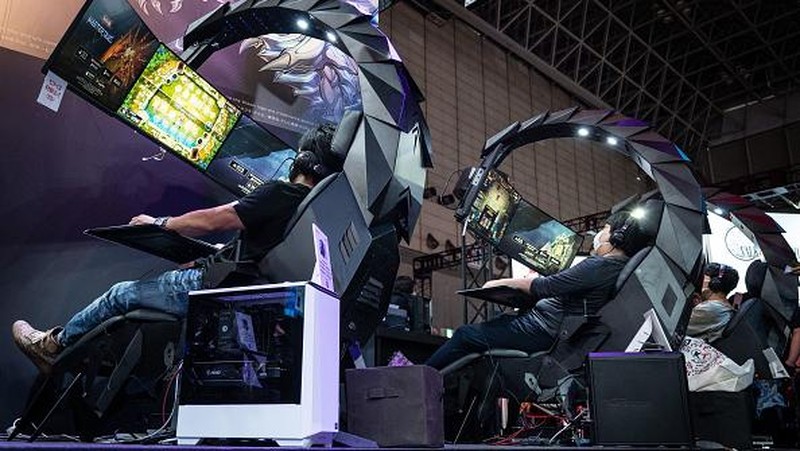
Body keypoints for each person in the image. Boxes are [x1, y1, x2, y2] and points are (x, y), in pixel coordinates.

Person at [12, 123, 343, 374]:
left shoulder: (283, 194)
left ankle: (53, 346)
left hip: (214, 288)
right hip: (243, 292)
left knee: (121, 294)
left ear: (303, 160)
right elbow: (260, 250)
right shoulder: (313, 214)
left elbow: (218, 218)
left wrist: (160, 223)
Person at [425, 211, 651, 370]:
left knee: (465, 334)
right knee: (492, 326)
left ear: (617, 237)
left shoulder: (599, 266)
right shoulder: (614, 267)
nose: (600, 234)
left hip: (541, 330)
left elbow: (544, 287)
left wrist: (496, 284)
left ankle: (414, 379)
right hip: (545, 326)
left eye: (605, 228)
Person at [685, 262, 739, 343]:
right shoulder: (721, 307)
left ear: (713, 284)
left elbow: (675, 327)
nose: (702, 283)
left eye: (705, 279)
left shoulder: (710, 309)